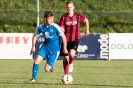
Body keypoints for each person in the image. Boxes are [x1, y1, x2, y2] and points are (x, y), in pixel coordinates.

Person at [30, 10, 68, 82]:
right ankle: (33, 79)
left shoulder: (55, 27)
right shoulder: (41, 27)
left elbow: (63, 37)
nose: (51, 20)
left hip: (54, 50)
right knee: (36, 61)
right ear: (45, 18)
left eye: (52, 18)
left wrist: (64, 48)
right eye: (50, 18)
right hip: (45, 47)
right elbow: (35, 36)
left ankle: (51, 67)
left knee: (46, 69)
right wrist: (33, 46)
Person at [59, 1, 89, 75]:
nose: (69, 9)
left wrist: (87, 30)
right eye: (68, 7)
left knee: (72, 54)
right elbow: (61, 26)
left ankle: (71, 63)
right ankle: (66, 74)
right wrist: (62, 29)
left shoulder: (78, 16)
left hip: (75, 39)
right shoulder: (64, 17)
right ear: (66, 8)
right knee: (66, 58)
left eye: (71, 7)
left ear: (73, 7)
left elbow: (86, 20)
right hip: (66, 40)